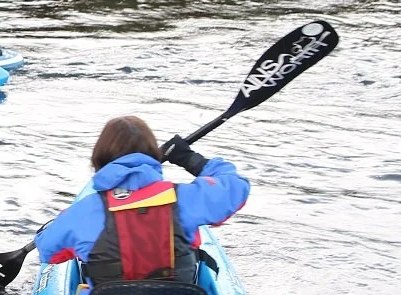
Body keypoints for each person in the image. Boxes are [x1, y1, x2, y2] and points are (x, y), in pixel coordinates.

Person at [32, 116, 249, 286]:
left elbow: (48, 253)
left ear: (100, 158)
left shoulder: (83, 212)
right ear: (153, 155)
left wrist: (63, 224)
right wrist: (190, 159)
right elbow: (236, 187)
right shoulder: (187, 198)